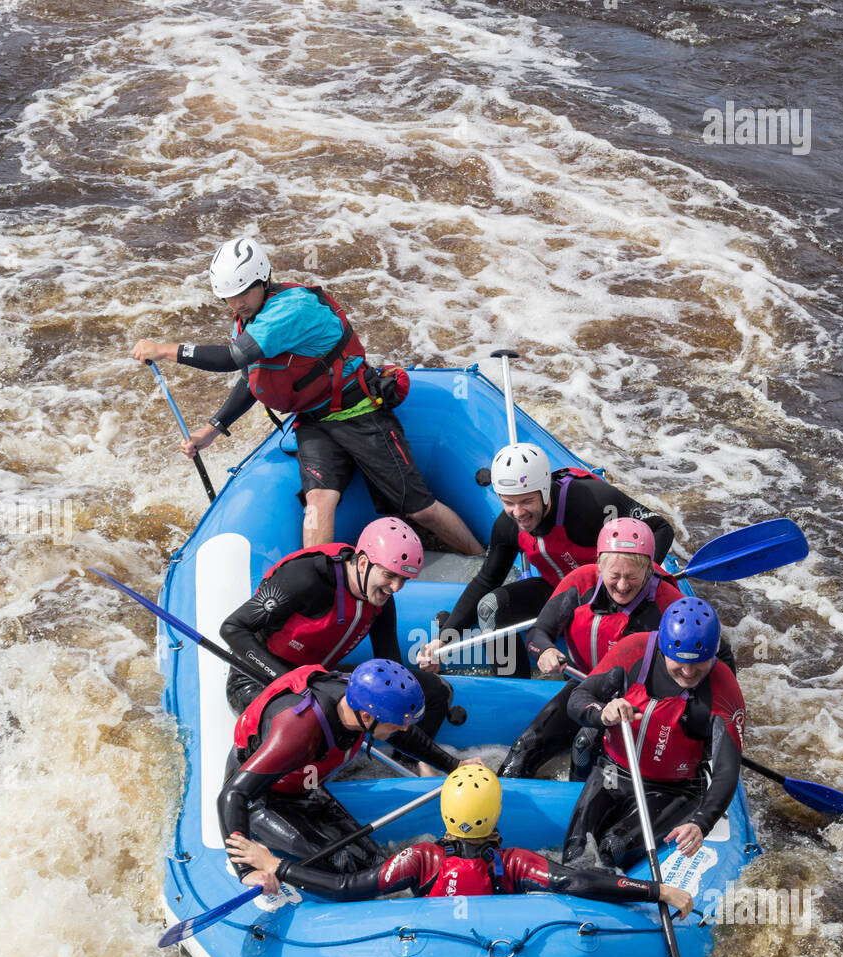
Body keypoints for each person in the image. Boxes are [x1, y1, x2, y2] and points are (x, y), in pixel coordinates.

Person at [131, 236, 481, 555]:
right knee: (318, 502)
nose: (235, 304)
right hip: (313, 420)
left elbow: (230, 358)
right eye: (228, 297)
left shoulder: (291, 310)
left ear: (264, 281)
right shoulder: (249, 315)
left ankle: (481, 558)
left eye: (242, 293)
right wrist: (211, 430)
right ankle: (317, 579)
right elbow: (254, 378)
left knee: (418, 508)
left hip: (358, 413)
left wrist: (163, 349)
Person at [226, 766, 694, 919]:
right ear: (496, 815)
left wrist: (278, 866)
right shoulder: (515, 864)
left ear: (446, 814)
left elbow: (347, 888)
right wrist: (657, 889)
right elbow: (581, 881)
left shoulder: (418, 858)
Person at [499, 519, 735, 778]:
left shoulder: (671, 604)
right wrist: (544, 651)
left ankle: (581, 806)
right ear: (600, 566)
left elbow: (719, 654)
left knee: (584, 744)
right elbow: (539, 632)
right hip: (586, 686)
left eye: (632, 577)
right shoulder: (580, 582)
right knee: (525, 748)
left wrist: (705, 712)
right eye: (615, 576)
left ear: (648, 570)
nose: (622, 586)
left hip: (638, 700)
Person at [416, 442, 674, 677]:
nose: (518, 513)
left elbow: (660, 528)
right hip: (558, 590)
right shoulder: (507, 526)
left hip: (614, 591)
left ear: (544, 491)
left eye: (527, 501)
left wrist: (640, 582)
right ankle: (515, 686)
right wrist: (444, 637)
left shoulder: (589, 500)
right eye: (508, 503)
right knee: (489, 606)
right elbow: (486, 579)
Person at [219, 516, 456, 746]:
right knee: (313, 718)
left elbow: (389, 666)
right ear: (363, 563)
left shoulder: (381, 598)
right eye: (390, 575)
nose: (396, 587)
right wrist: (292, 681)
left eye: (403, 578)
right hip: (257, 679)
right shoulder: (305, 579)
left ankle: (411, 768)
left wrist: (419, 668)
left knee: (435, 690)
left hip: (317, 677)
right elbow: (232, 628)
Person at [218, 658, 461, 876]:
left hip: (305, 786)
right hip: (260, 797)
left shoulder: (359, 702)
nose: (404, 730)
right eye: (398, 724)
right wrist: (246, 869)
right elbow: (232, 794)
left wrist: (455, 765)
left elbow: (405, 738)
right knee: (344, 865)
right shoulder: (297, 732)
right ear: (367, 717)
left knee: (376, 863)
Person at [563, 598, 746, 869]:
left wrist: (701, 823)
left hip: (673, 790)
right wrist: (603, 712)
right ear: (663, 647)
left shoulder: (725, 691)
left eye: (700, 663)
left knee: (614, 847)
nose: (688, 671)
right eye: (679, 662)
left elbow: (727, 769)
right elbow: (579, 698)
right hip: (612, 772)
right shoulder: (634, 650)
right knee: (575, 852)